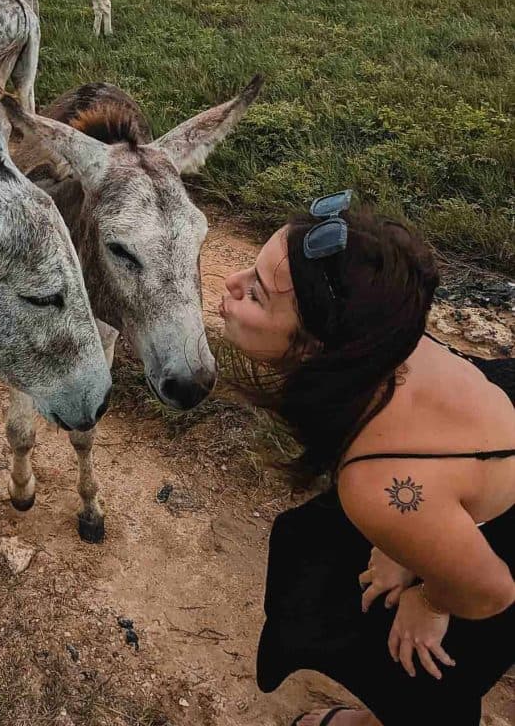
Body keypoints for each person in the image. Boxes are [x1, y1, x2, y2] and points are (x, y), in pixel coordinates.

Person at [218, 191, 515, 726]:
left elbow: (490, 590)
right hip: (490, 445)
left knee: (417, 668)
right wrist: (410, 543)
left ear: (315, 349)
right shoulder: (383, 332)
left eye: (257, 294)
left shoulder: (376, 485)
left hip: (488, 549)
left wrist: (430, 602)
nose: (231, 285)